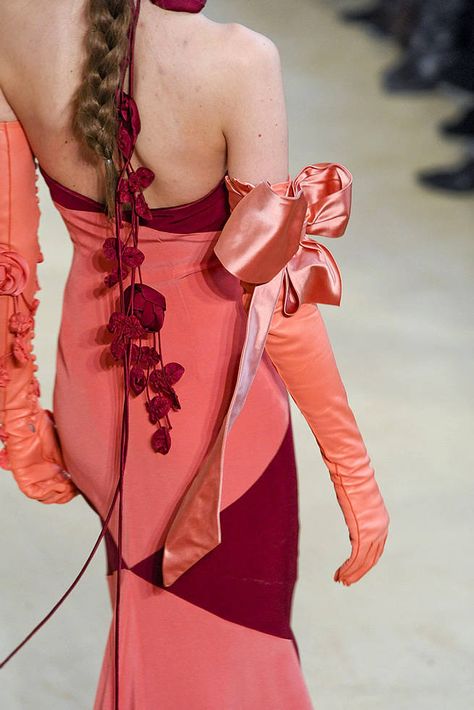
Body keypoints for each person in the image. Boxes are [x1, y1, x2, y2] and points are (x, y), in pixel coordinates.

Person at [0, 1, 390, 708]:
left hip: (93, 409)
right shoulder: (239, 61)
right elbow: (277, 300)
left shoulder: (12, 21)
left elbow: (8, 260)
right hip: (216, 438)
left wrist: (21, 421)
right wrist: (354, 473)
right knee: (233, 672)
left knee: (153, 643)